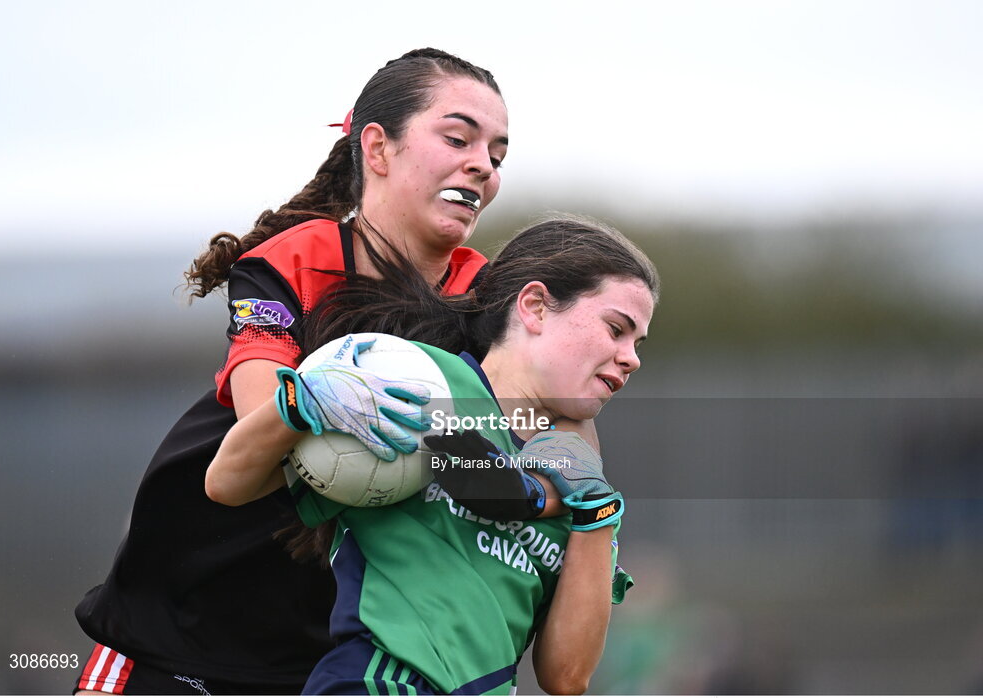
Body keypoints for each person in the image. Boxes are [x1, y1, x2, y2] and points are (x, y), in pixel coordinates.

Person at [75, 48, 536, 695]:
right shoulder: (293, 259)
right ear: (377, 147)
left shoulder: (492, 300)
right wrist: (315, 403)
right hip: (178, 628)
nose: (482, 165)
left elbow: (520, 438)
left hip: (328, 654)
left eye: (498, 154)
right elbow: (259, 407)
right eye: (459, 137)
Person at [205, 215, 661, 694]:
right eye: (616, 329)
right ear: (535, 307)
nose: (632, 357)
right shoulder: (411, 379)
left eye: (637, 343)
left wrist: (595, 513)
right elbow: (227, 482)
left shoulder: (579, 475)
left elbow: (567, 677)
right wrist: (303, 400)